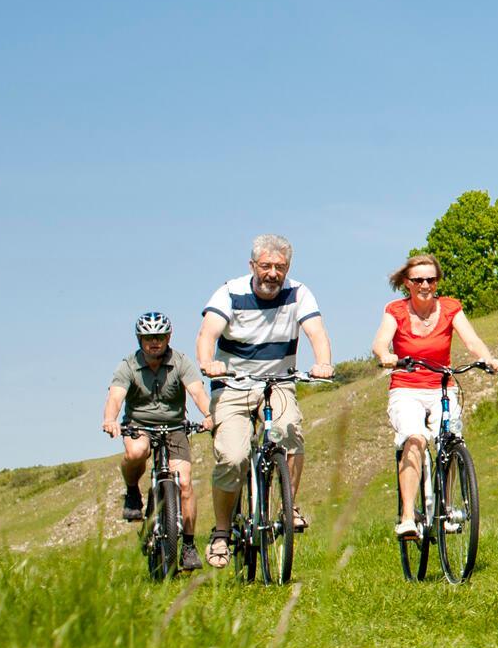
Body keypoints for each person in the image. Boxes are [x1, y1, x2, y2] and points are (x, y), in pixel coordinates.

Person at [194, 234, 333, 568]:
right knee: (233, 456)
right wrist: (207, 363)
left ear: (288, 268)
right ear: (252, 265)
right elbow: (207, 334)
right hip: (233, 385)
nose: (273, 273)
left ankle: (288, 506)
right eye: (266, 266)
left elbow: (316, 332)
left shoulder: (299, 293)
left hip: (278, 382)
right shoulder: (229, 292)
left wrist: (324, 362)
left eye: (280, 267)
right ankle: (222, 534)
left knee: (289, 432)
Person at [371, 253, 498, 541]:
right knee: (415, 438)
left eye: (431, 279)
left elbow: (471, 340)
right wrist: (386, 356)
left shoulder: (450, 308)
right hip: (406, 387)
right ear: (407, 283)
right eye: (418, 280)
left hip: (442, 386)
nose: (425, 285)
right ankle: (407, 517)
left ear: (437, 281)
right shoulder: (396, 310)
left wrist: (488, 359)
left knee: (451, 439)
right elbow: (381, 342)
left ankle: (445, 508)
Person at [100, 312, 215, 571]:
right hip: (139, 426)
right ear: (140, 340)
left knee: (184, 482)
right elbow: (116, 396)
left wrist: (209, 415)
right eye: (149, 338)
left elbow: (197, 391)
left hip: (175, 427)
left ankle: (187, 545)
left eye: (160, 337)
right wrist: (110, 419)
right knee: (137, 452)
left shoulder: (181, 362)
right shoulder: (128, 365)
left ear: (168, 338)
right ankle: (132, 492)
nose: (155, 342)